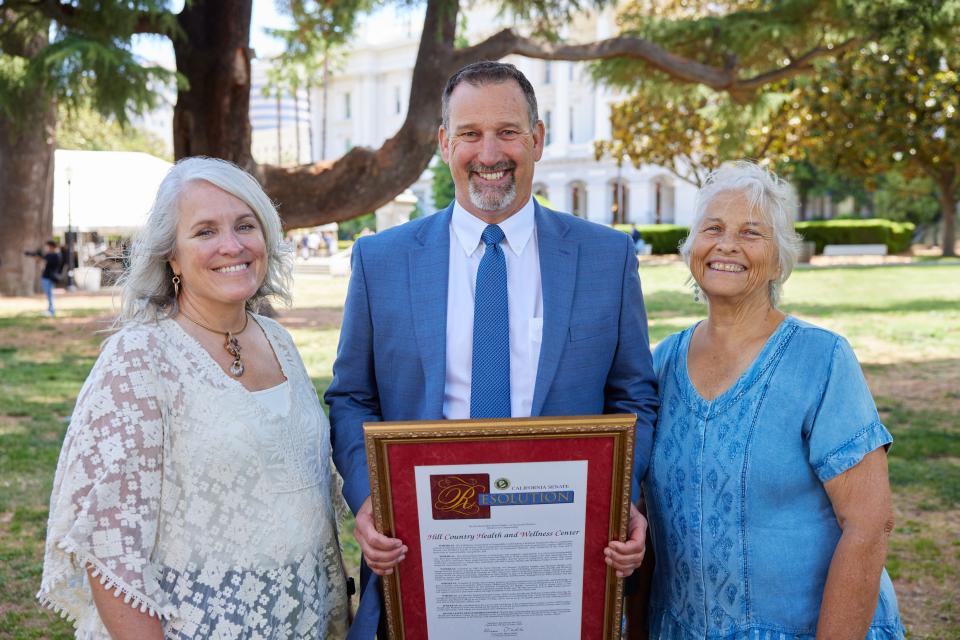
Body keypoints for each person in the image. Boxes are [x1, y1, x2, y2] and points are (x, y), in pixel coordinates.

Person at [325, 61, 659, 638]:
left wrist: (617, 498)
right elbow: (353, 396)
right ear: (444, 143)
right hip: (423, 552)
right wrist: (365, 499)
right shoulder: (381, 261)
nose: (489, 152)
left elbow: (633, 395)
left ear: (537, 139)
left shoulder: (605, 258)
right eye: (470, 134)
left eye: (507, 131)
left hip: (560, 556)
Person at [38, 157, 349, 639]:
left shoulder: (278, 341)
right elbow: (110, 549)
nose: (232, 245)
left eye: (245, 225)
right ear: (172, 256)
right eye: (205, 231)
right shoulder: (139, 358)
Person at [637, 161, 905, 638]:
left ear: (780, 259)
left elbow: (868, 525)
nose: (726, 245)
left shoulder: (820, 360)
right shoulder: (661, 364)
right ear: (690, 247)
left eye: (751, 232)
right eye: (712, 228)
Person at [36, 240, 62, 316]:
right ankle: (50, 310)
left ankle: (51, 310)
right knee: (49, 294)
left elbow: (44, 264)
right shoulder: (53, 255)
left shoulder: (54, 255)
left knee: (49, 294)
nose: (46, 248)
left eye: (48, 246)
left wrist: (41, 259)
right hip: (48, 276)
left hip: (49, 277)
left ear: (51, 246)